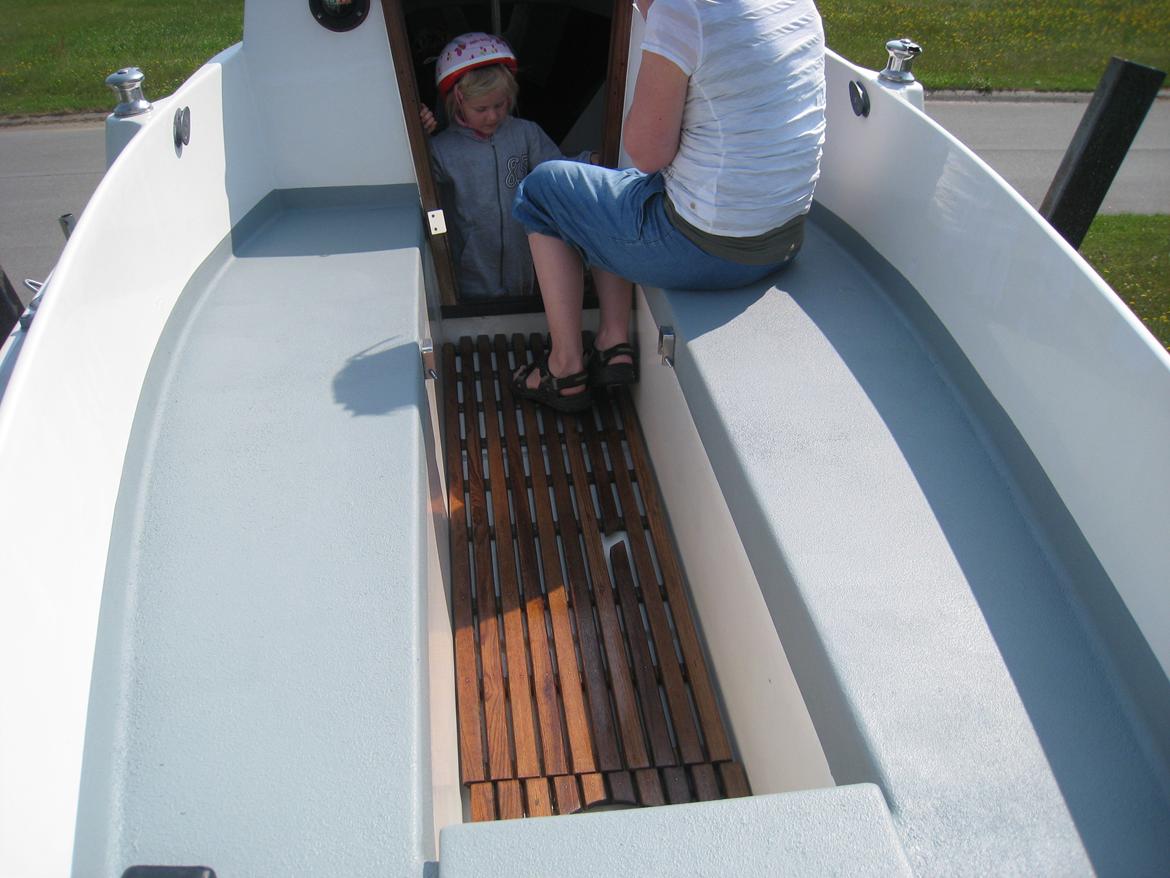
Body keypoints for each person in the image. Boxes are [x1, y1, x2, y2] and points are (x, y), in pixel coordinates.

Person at [510, 0, 827, 412]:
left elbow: (646, 152)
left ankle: (565, 368)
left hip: (709, 249)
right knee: (604, 184)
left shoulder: (682, 9)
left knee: (541, 191)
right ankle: (612, 342)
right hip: (782, 238)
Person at [420, 32, 596, 301]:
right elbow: (420, 185)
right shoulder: (442, 150)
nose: (492, 116)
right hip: (471, 277)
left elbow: (557, 171)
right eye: (481, 109)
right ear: (458, 101)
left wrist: (592, 162)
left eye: (500, 105)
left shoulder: (526, 134)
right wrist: (419, 134)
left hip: (524, 270)